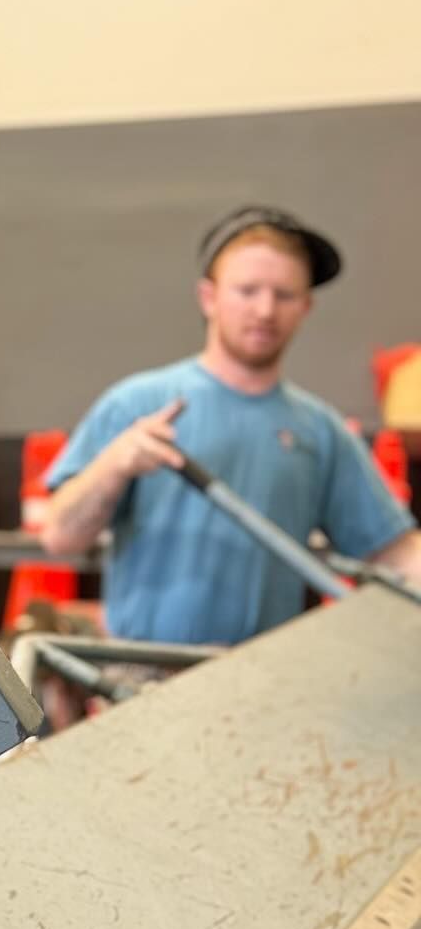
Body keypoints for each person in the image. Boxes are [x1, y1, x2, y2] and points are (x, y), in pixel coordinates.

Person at [39, 205, 421, 645]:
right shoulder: (137, 405)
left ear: (306, 307)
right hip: (139, 679)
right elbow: (60, 538)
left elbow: (393, 553)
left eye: (284, 295)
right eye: (247, 290)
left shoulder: (319, 430)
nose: (264, 310)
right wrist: (114, 465)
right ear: (209, 297)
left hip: (260, 685)